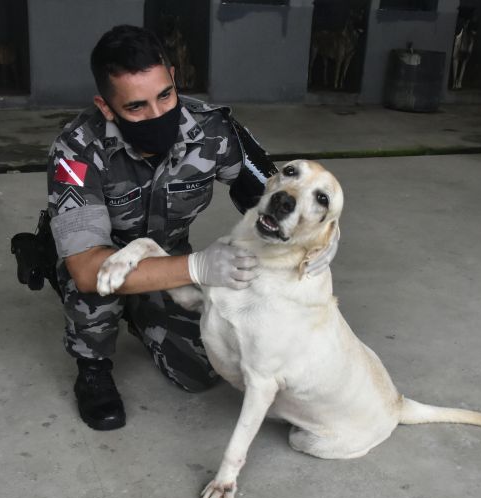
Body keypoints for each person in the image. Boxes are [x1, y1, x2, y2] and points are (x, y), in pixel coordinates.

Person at [45, 24, 336, 431]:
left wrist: (314, 239)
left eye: (165, 95)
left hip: (166, 258)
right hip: (103, 260)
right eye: (136, 107)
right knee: (93, 290)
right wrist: (198, 268)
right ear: (106, 106)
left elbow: (269, 195)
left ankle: (141, 313)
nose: (158, 114)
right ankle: (92, 364)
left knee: (201, 373)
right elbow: (86, 269)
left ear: (174, 77)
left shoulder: (212, 130)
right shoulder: (77, 149)